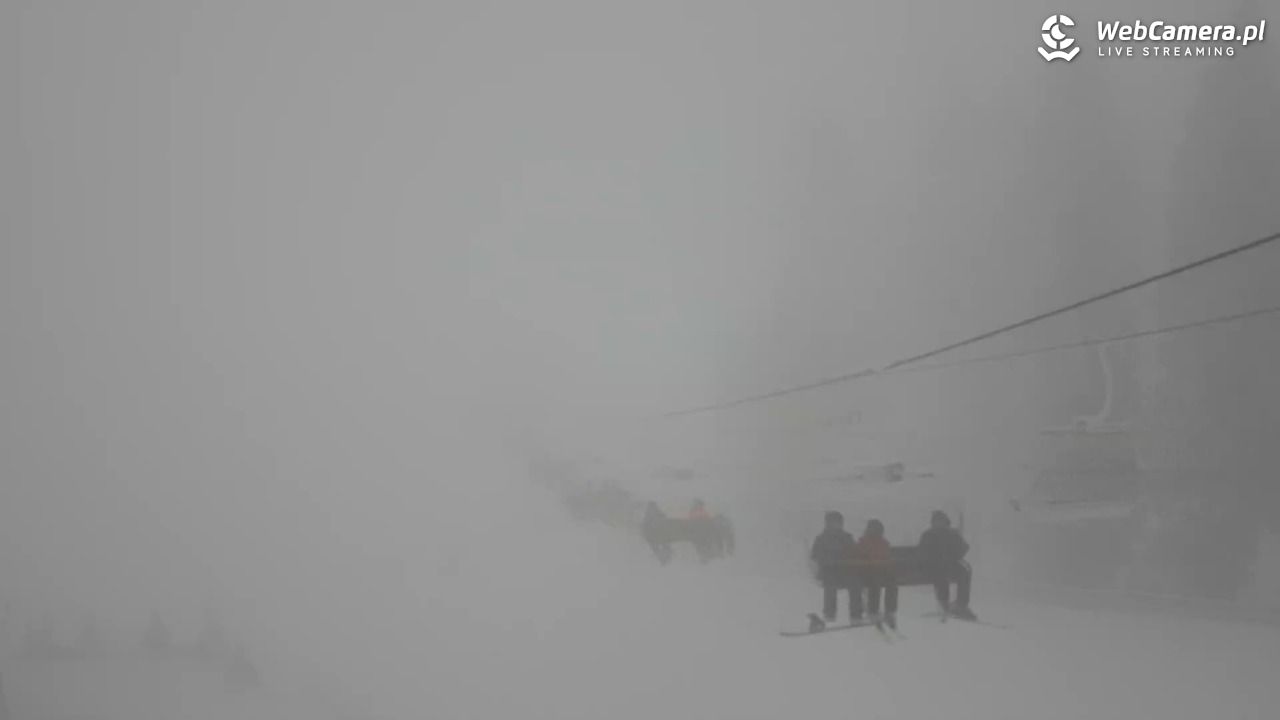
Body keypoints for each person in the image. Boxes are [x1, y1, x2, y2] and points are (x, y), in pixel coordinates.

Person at [918, 510, 976, 620]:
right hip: (934, 567)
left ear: (946, 522)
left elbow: (963, 548)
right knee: (940, 575)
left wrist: (954, 555)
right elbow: (923, 553)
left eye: (941, 521)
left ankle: (961, 604)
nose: (939, 523)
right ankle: (944, 604)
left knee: (964, 572)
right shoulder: (928, 535)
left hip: (950, 565)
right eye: (937, 521)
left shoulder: (952, 534)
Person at [810, 511, 861, 623]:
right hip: (829, 571)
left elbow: (855, 553)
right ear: (827, 524)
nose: (836, 525)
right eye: (833, 523)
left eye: (838, 523)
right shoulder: (821, 539)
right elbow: (814, 555)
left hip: (845, 571)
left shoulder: (847, 537)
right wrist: (826, 561)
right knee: (830, 585)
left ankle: (856, 615)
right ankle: (830, 614)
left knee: (856, 584)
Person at [854, 519, 898, 629]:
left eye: (877, 530)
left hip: (881, 572)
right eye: (873, 529)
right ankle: (873, 611)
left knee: (892, 583)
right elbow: (859, 558)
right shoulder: (863, 542)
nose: (875, 532)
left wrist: (888, 567)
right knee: (875, 584)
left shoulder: (884, 543)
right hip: (867, 573)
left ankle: (890, 610)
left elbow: (888, 558)